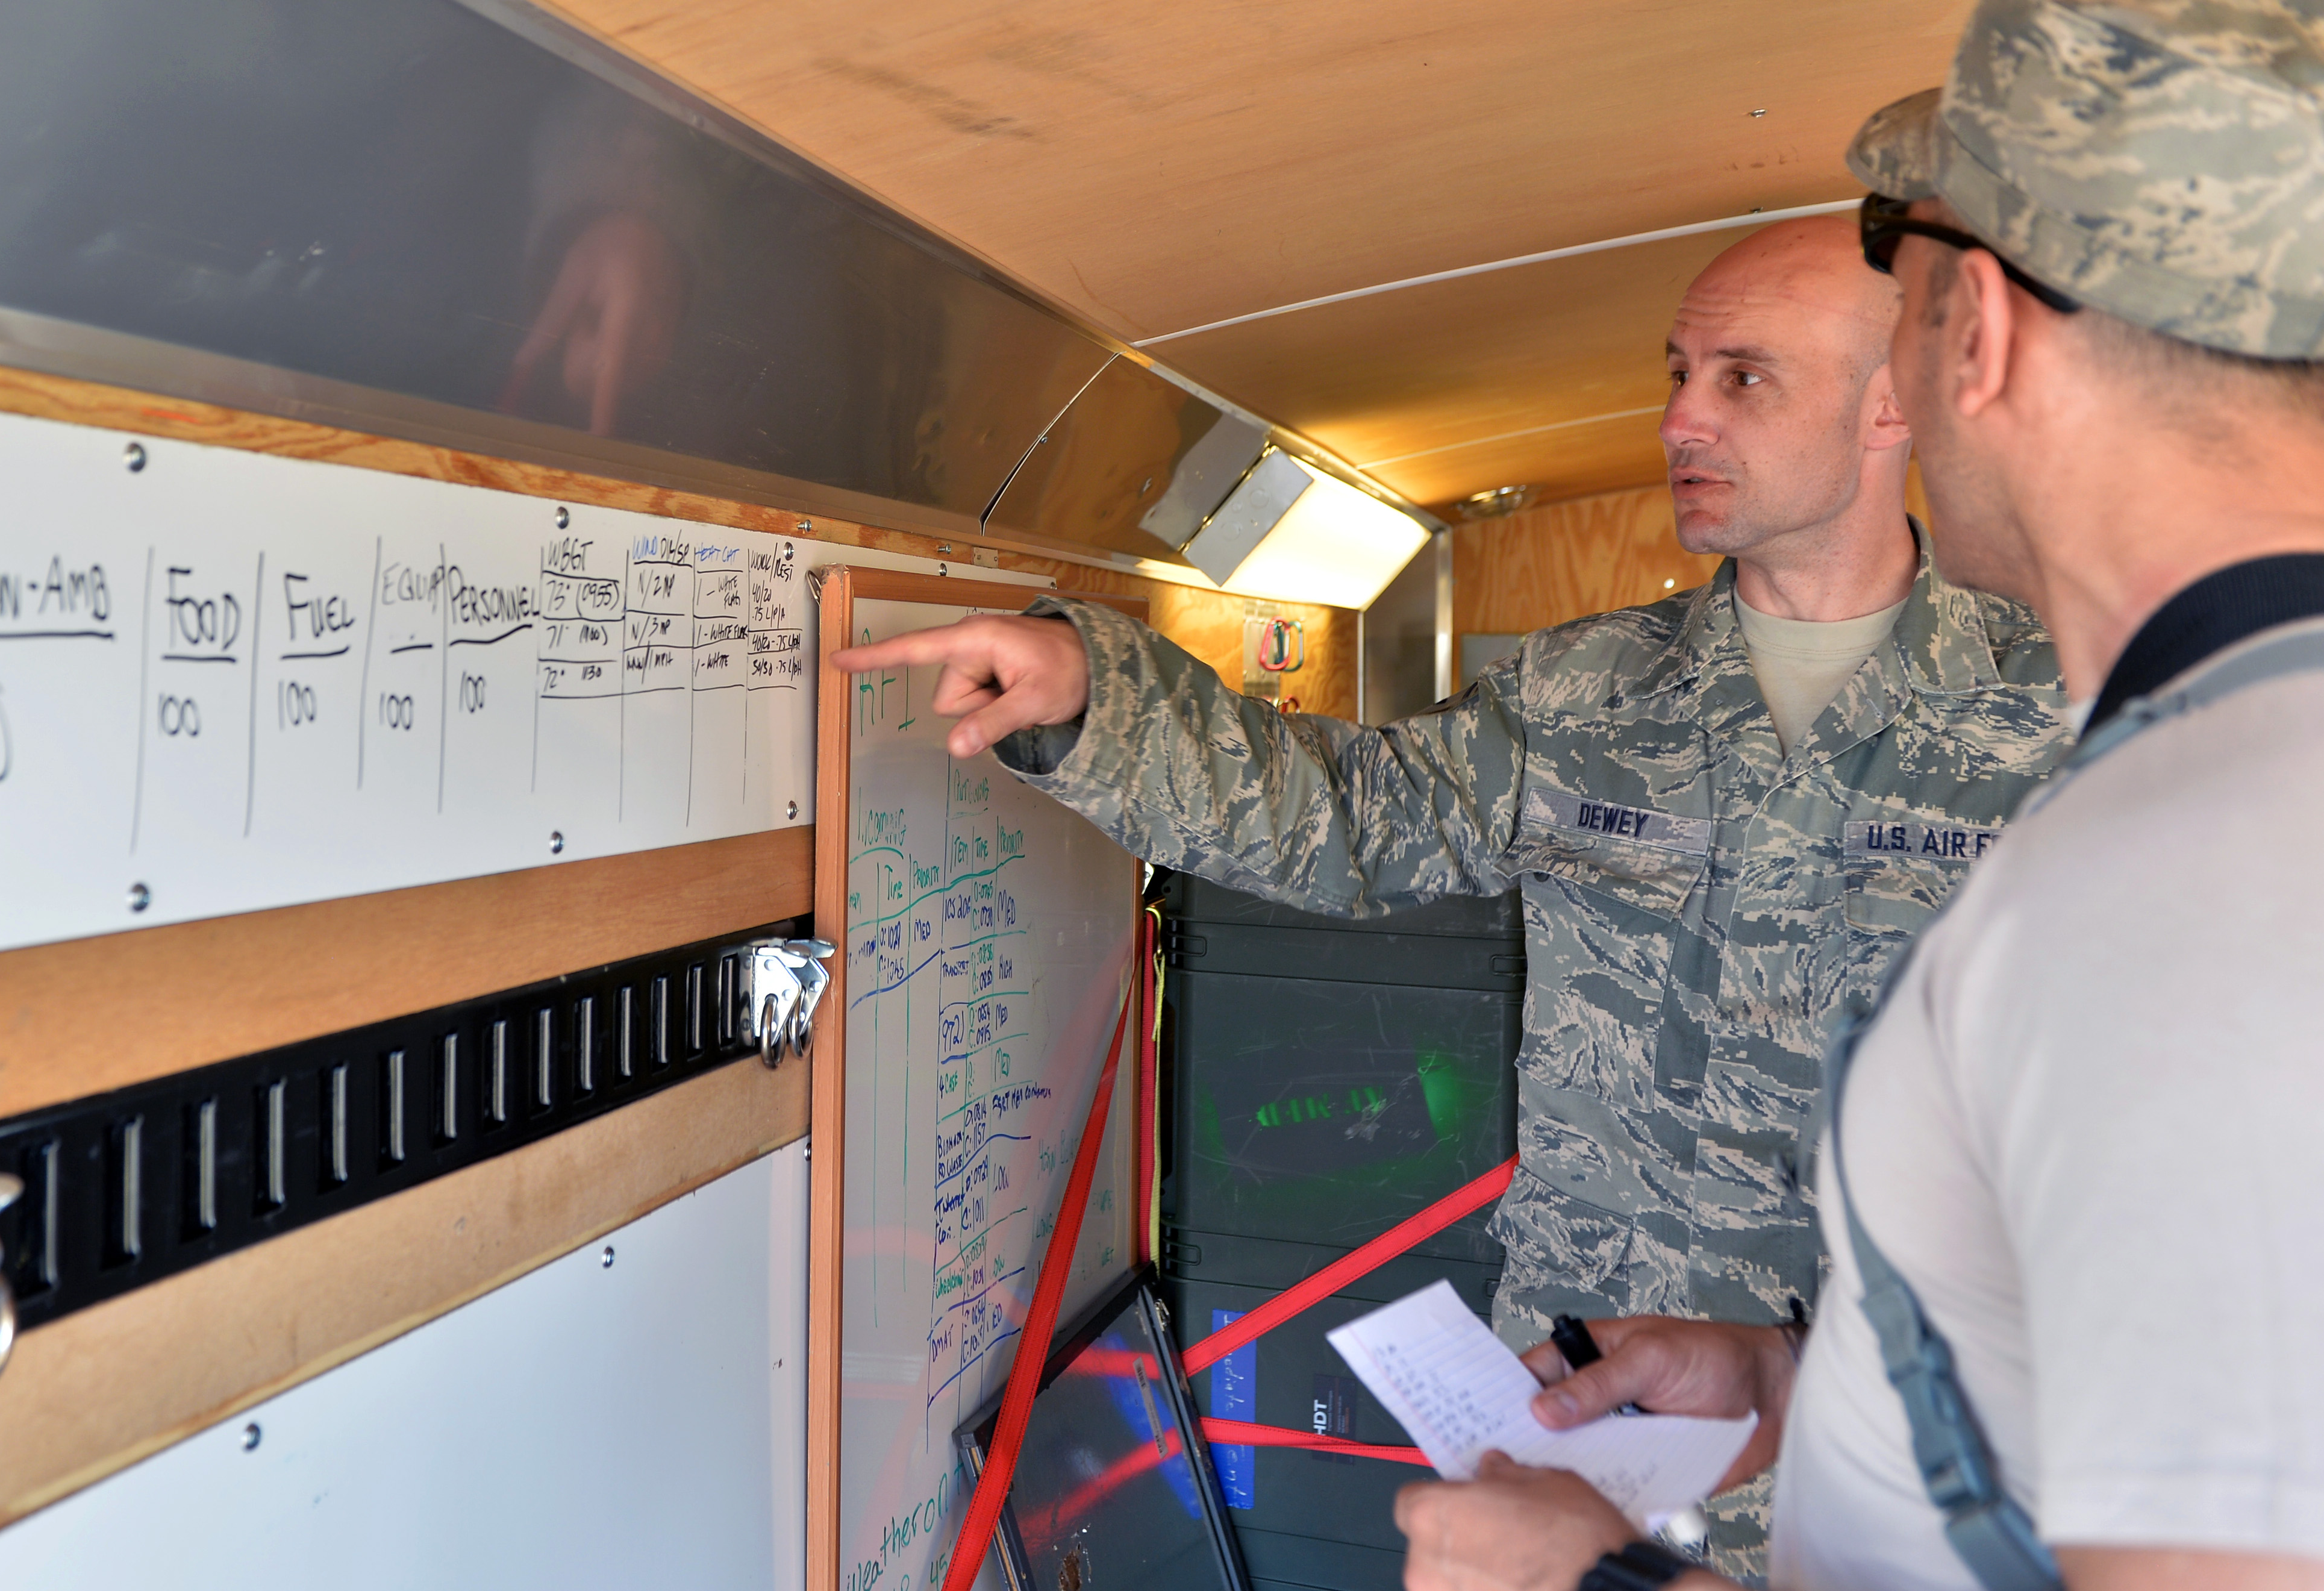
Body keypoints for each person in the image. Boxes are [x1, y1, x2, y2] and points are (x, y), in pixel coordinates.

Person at [832, 216, 2071, 1570]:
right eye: (1674, 374)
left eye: (1741, 378)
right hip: (1593, 1408)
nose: (1677, 420)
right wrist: (1092, 697)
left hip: (1927, 1440)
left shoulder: (2057, 712)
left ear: (1890, 402)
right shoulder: (1584, 688)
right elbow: (1354, 819)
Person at [1387, 2, 2324, 1587]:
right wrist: (1788, 1387)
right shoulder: (2217, 783)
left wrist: (1593, 1581)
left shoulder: (2205, 877)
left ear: (1978, 341)